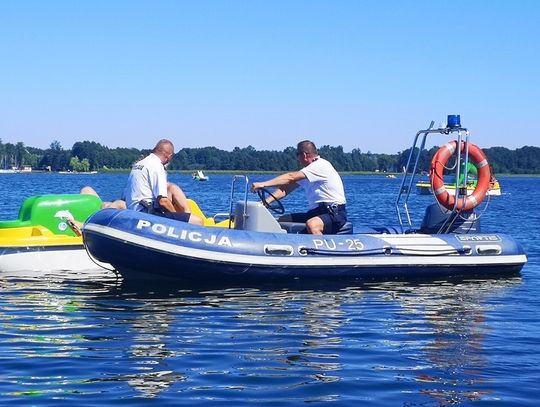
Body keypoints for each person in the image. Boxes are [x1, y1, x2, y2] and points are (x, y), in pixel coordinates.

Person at [251, 140, 347, 235]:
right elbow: (285, 189)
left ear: (304, 155)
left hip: (334, 213)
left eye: (297, 154)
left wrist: (263, 184)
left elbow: (290, 177)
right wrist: (266, 202)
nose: (298, 159)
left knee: (312, 224)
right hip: (316, 213)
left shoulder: (320, 166)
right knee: (283, 220)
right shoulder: (308, 172)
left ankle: (320, 249)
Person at [124, 139, 203, 225]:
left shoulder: (139, 164)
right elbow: (162, 201)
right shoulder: (157, 165)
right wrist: (176, 218)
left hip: (133, 211)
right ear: (169, 156)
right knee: (198, 221)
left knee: (171, 188)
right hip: (146, 213)